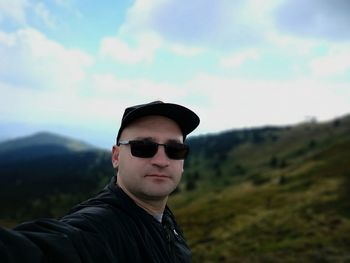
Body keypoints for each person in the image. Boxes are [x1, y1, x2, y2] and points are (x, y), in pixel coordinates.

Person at [0, 100, 200, 263]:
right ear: (116, 156)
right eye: (143, 147)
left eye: (175, 150)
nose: (161, 161)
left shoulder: (164, 220)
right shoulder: (98, 229)